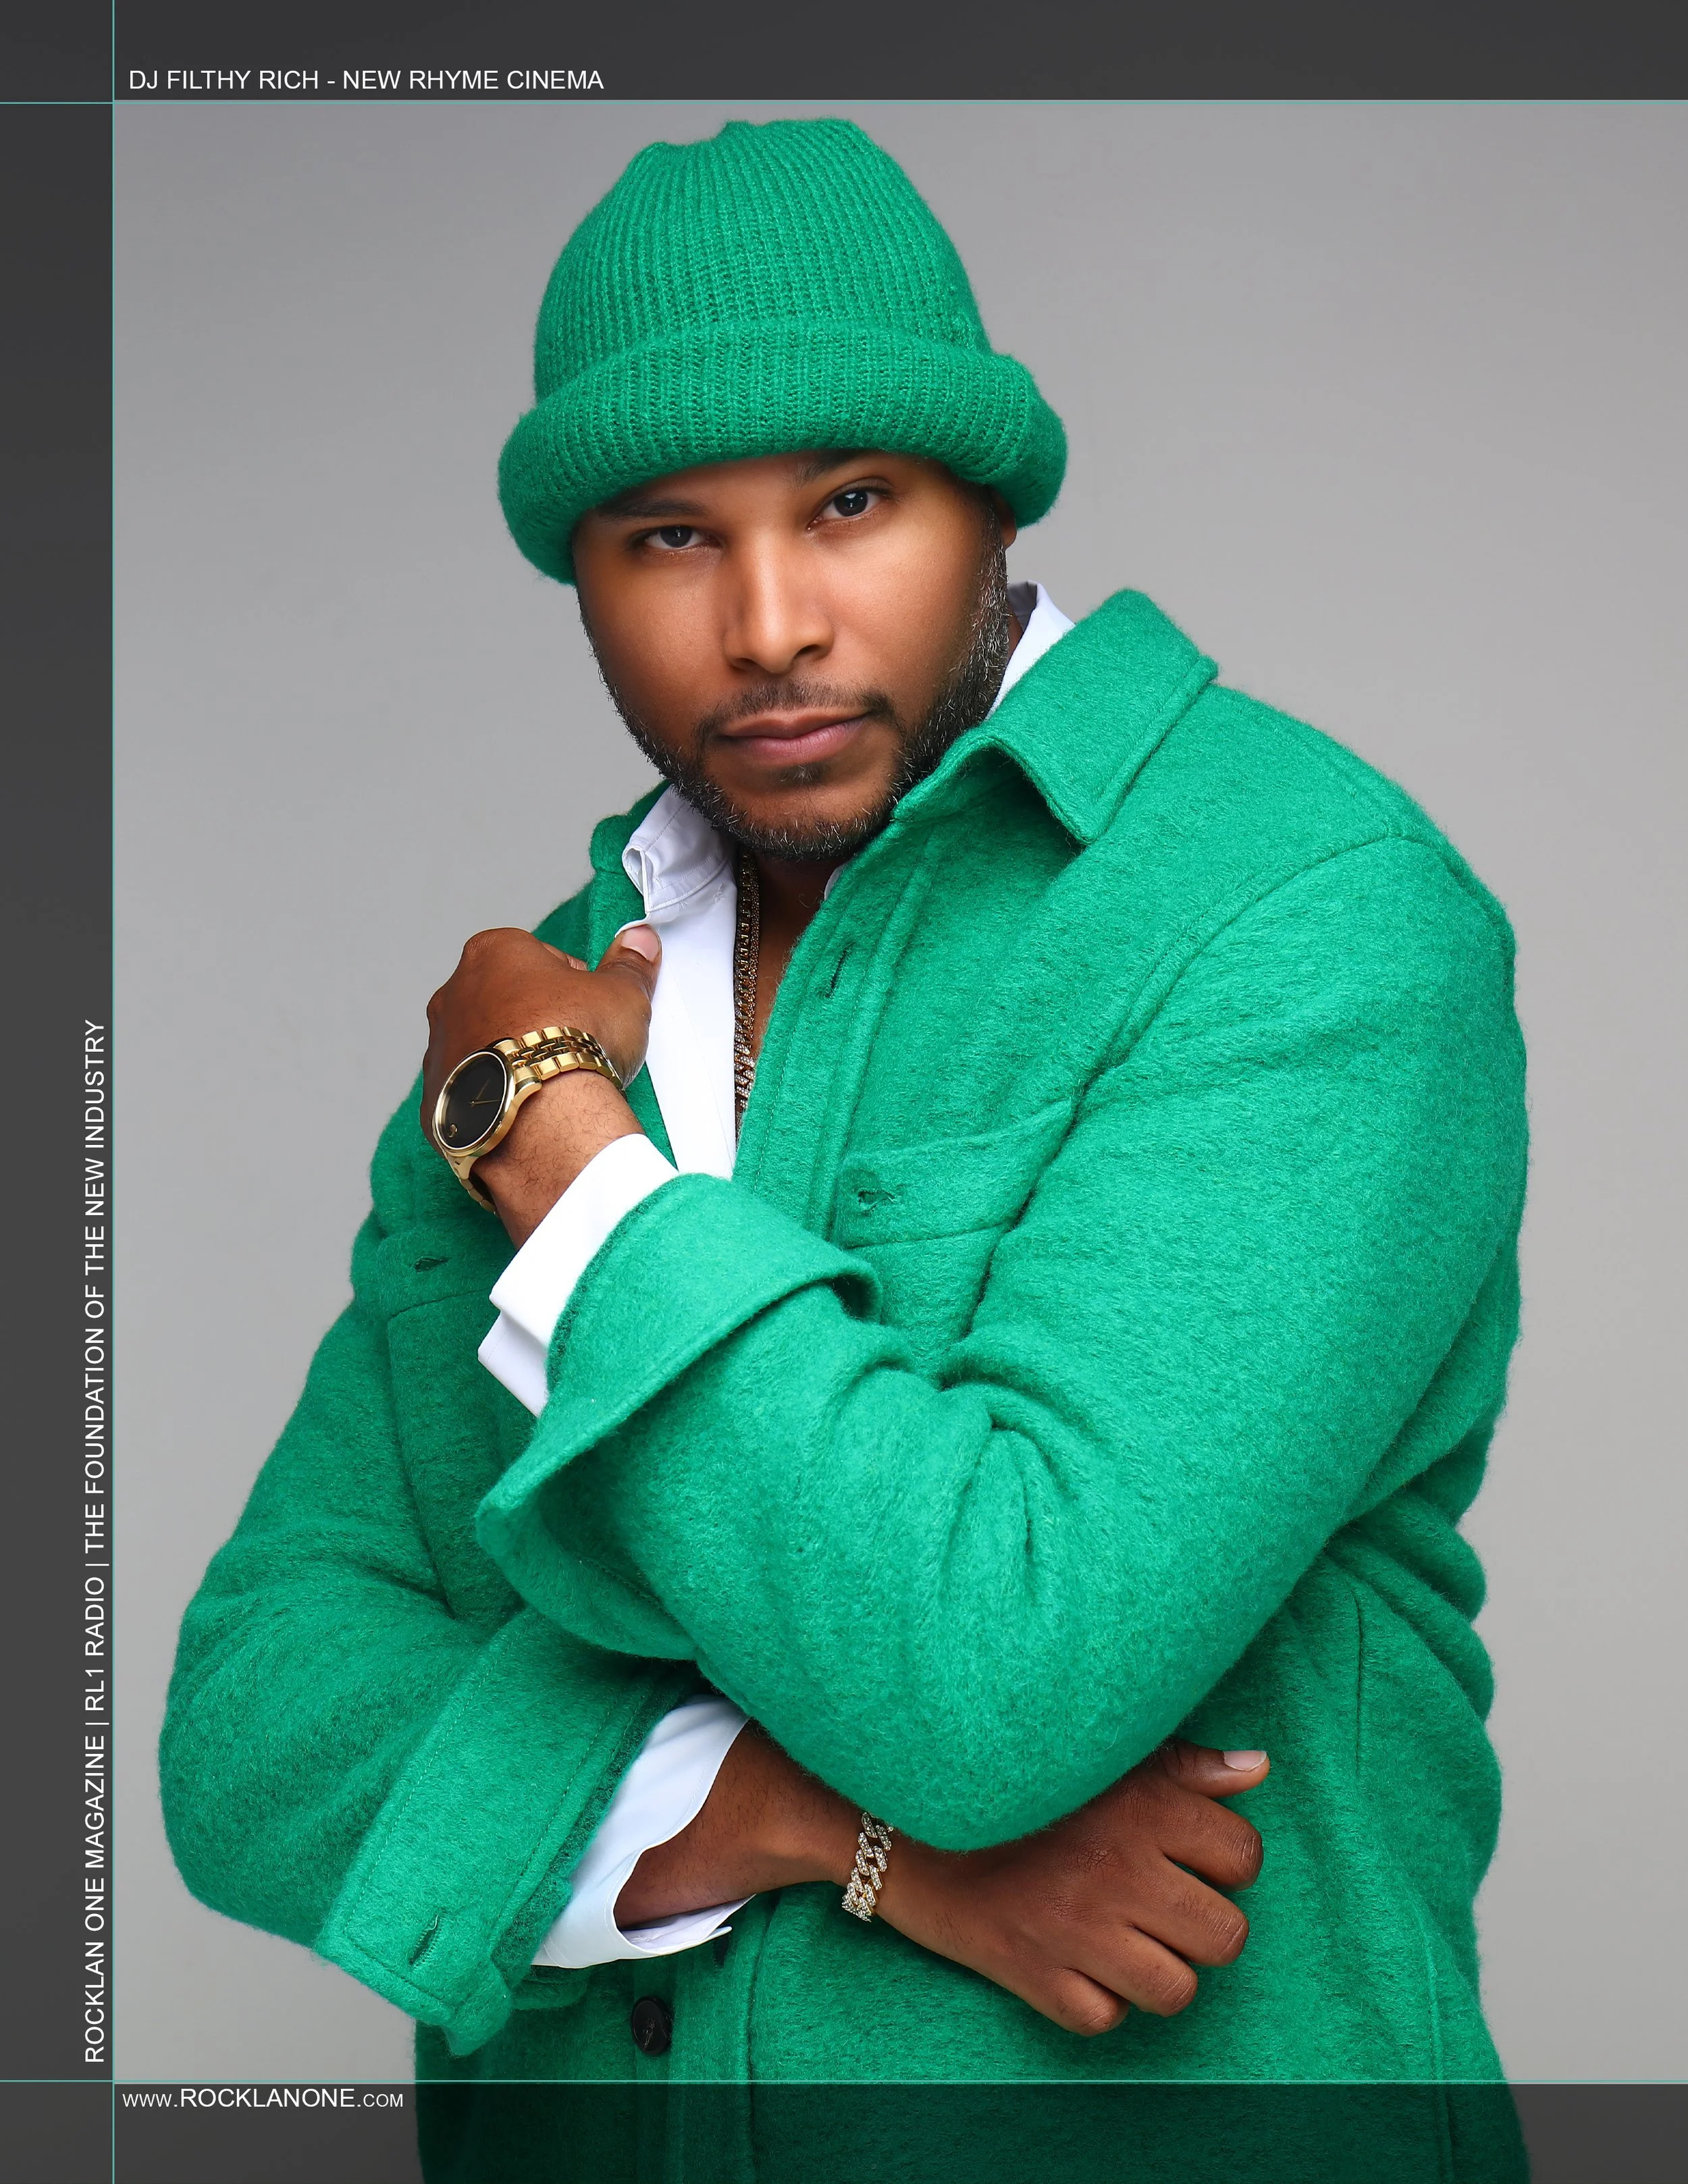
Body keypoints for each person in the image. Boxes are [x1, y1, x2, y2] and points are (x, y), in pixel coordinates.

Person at [161, 119, 1529, 2179]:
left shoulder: (1304, 917)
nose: (772, 622)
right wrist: (821, 1831)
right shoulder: (568, 993)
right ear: (582, 577)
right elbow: (249, 1730)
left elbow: (994, 1672)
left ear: (989, 501)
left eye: (853, 505)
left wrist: (564, 1166)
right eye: (667, 537)